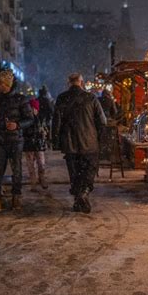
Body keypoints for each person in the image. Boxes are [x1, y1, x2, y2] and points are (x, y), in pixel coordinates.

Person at [0, 70, 34, 212]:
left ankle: (16, 196)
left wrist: (17, 125)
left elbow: (30, 119)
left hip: (15, 140)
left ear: (7, 84)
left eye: (0, 82)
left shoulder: (20, 99)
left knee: (17, 170)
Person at [52, 73, 106, 213]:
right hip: (89, 142)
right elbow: (102, 121)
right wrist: (98, 137)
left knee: (74, 172)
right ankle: (84, 192)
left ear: (68, 83)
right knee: (88, 170)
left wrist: (56, 141)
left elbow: (56, 122)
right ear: (81, 82)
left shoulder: (62, 98)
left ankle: (78, 198)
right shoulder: (91, 98)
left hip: (70, 143)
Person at [23, 98, 48, 192]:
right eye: (31, 108)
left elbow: (45, 128)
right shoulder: (25, 118)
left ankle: (42, 179)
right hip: (29, 144)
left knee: (41, 163)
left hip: (39, 144)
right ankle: (33, 182)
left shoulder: (41, 118)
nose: (33, 110)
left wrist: (44, 132)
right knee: (31, 165)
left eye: (35, 108)